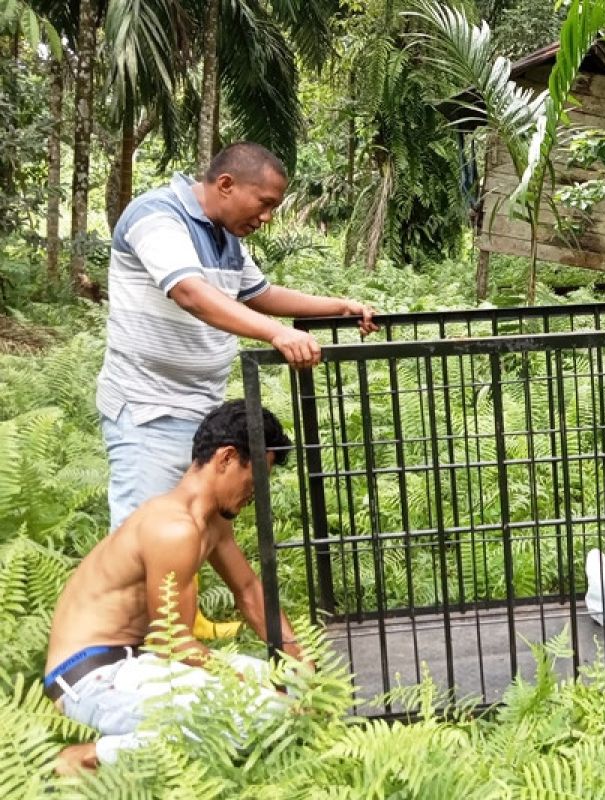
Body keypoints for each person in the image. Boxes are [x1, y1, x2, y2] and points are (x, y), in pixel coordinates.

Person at [98, 142, 378, 635]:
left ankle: (183, 624)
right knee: (139, 540)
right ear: (226, 185)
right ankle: (123, 657)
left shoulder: (226, 237)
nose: (268, 217)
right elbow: (188, 290)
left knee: (198, 526)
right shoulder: (156, 216)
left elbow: (260, 295)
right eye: (265, 203)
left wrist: (336, 306)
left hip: (202, 408)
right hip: (148, 408)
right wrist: (277, 334)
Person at [45, 401, 303, 774]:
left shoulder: (211, 522)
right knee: (267, 716)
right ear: (227, 458)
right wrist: (243, 682)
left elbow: (248, 591)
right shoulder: (173, 528)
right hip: (92, 678)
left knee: (298, 685)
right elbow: (173, 642)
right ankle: (86, 758)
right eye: (255, 479)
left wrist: (296, 656)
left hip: (138, 663)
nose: (256, 493)